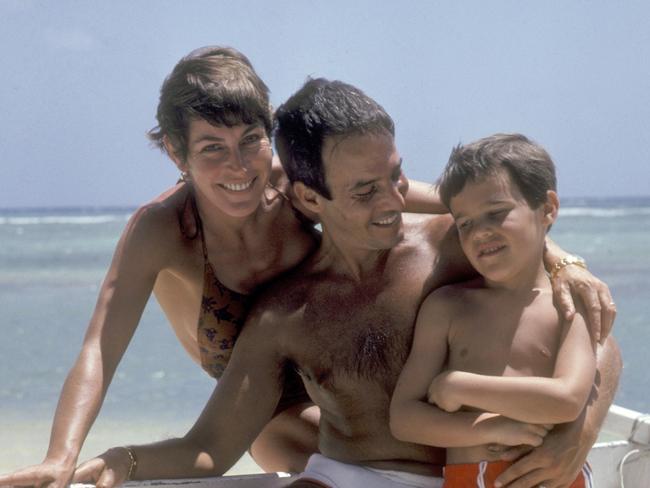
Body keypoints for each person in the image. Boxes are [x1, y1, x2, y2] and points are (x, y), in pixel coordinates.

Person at [66, 79, 620, 488]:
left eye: (396, 175)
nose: (393, 200)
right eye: (363, 191)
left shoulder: (455, 245)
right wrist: (123, 461)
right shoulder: (285, 314)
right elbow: (210, 448)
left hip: (480, 475)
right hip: (349, 478)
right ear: (309, 197)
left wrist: (580, 434)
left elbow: (596, 337)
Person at [390, 134, 600, 488]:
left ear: (548, 208)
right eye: (465, 223)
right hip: (469, 478)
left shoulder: (569, 303)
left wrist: (460, 386)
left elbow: (567, 400)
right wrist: (492, 426)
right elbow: (404, 418)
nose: (480, 233)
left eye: (497, 213)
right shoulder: (447, 307)